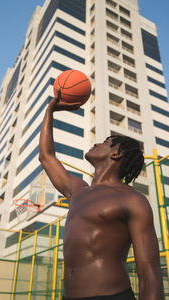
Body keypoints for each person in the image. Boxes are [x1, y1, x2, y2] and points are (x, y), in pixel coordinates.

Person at [39, 91, 163, 300]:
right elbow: (47, 156)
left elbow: (149, 274)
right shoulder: (78, 189)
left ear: (116, 154)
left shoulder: (133, 200)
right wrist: (50, 111)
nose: (97, 143)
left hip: (111, 295)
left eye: (106, 142)